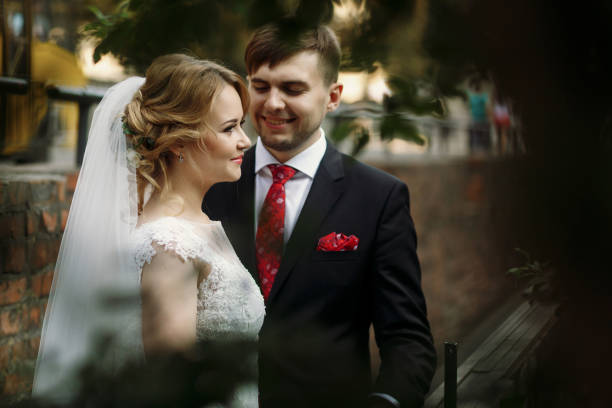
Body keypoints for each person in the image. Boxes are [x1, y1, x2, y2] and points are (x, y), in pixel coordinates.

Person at [204, 23, 436, 408]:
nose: (273, 103)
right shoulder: (208, 183)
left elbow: (407, 339)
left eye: (293, 89)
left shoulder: (379, 197)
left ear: (333, 97)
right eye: (261, 87)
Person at [32, 54, 265, 407]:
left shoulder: (199, 227)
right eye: (229, 128)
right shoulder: (169, 246)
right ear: (178, 141)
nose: (245, 141)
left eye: (242, 125)